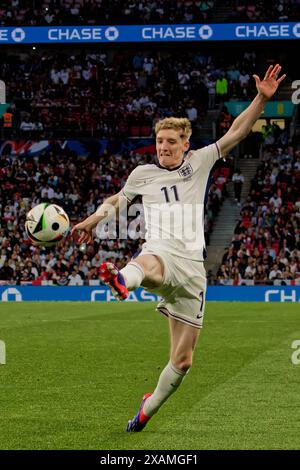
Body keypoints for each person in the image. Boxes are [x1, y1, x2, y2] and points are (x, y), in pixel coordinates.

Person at [71, 64, 285, 432]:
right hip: (161, 252)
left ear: (185, 144)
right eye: (160, 143)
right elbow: (117, 202)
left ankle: (146, 409)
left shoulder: (198, 162)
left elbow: (237, 132)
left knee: (183, 361)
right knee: (150, 263)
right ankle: (122, 279)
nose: (164, 148)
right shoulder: (142, 174)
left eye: (171, 142)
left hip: (193, 271)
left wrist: (261, 99)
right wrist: (92, 221)